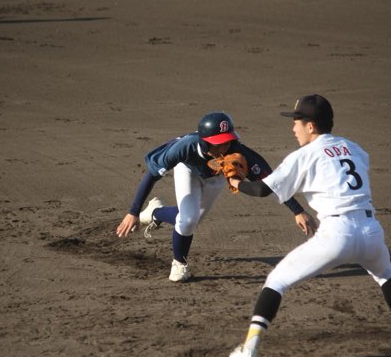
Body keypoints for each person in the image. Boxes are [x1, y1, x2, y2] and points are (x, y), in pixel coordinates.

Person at [226, 94, 391, 357]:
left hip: (336, 233)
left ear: (311, 126)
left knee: (276, 281)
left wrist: (236, 182)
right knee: (387, 274)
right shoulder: (355, 148)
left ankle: (248, 351)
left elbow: (262, 189)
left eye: (296, 122)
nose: (293, 128)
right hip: (371, 231)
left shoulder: (304, 155)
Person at [116, 111, 317, 282]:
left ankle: (156, 212)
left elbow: (271, 182)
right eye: (218, 143)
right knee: (188, 220)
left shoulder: (238, 151)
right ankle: (179, 264)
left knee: (193, 219)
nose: (223, 148)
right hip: (188, 170)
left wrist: (297, 210)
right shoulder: (184, 147)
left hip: (216, 178)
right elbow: (152, 175)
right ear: (204, 142)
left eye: (227, 142)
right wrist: (133, 212)